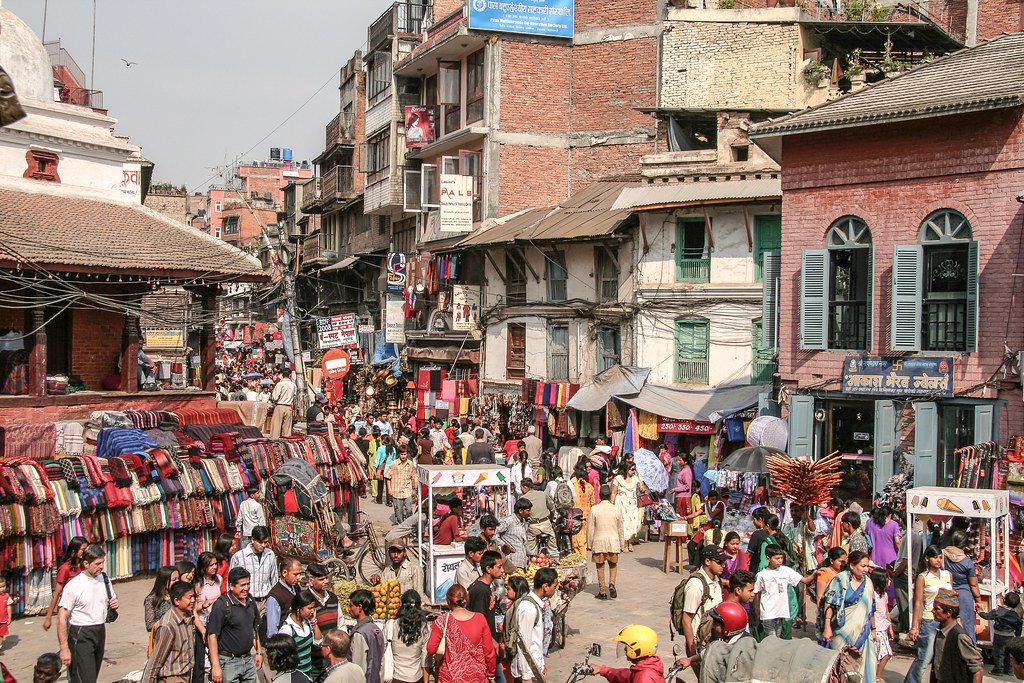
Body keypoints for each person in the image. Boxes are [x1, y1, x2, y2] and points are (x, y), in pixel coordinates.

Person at [56, 544, 119, 683]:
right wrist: (64, 648)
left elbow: (111, 599)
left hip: (99, 630)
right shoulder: (74, 586)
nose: (101, 567)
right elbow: (61, 618)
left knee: (92, 676)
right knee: (85, 677)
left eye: (102, 563)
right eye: (97, 564)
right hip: (81, 633)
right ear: (85, 563)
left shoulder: (104, 579)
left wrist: (115, 603)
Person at [820, 550, 876, 683]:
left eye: (867, 566)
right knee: (840, 667)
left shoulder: (868, 582)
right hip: (842, 632)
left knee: (866, 665)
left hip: (863, 633)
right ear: (852, 565)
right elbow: (829, 604)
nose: (866, 570)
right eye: (863, 566)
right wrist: (827, 627)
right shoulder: (841, 580)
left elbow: (871, 609)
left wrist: (873, 630)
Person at [427, 584, 496, 683]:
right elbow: (489, 652)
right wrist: (491, 675)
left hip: (450, 677)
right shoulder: (479, 619)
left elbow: (431, 648)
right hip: (476, 676)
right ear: (467, 599)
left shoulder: (443, 621)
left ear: (449, 601)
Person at [207, 567, 264, 683]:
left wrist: (258, 652)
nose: (246, 588)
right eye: (242, 585)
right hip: (228, 662)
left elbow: (254, 630)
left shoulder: (250, 601)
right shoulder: (221, 605)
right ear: (231, 586)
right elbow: (212, 636)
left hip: (248, 660)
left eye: (248, 584)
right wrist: (216, 666)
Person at [905, 544, 952, 683]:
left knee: (943, 656)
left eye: (940, 557)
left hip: (947, 620)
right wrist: (914, 627)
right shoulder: (923, 577)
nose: (938, 560)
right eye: (935, 557)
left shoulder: (947, 575)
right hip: (930, 619)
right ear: (927, 558)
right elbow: (918, 602)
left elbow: (953, 599)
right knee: (925, 656)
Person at [753, 544, 819, 639]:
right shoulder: (761, 575)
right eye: (777, 558)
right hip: (768, 614)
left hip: (781, 613)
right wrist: (757, 611)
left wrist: (815, 574)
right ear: (768, 559)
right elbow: (757, 593)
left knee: (778, 637)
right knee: (771, 639)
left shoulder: (785, 571)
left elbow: (804, 580)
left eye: (781, 558)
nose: (780, 560)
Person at [142, 580, 197, 683]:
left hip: (186, 676)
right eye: (190, 597)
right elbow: (155, 661)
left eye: (194, 597)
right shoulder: (168, 626)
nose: (193, 600)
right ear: (177, 601)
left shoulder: (188, 618)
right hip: (171, 678)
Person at [510, 568, 558, 683]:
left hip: (534, 669)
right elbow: (523, 643)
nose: (555, 590)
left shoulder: (535, 605)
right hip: (527, 674)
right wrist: (526, 677)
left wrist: (541, 664)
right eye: (554, 586)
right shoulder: (528, 608)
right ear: (545, 586)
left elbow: (536, 642)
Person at [673, 603, 750, 672]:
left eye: (716, 624)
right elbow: (712, 651)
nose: (713, 626)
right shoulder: (724, 640)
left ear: (730, 626)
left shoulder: (746, 647)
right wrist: (690, 660)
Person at [229, 525, 278, 631]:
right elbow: (231, 582)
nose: (263, 545)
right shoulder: (239, 557)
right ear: (252, 540)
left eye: (265, 542)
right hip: (247, 601)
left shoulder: (270, 555)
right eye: (260, 542)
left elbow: (273, 579)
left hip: (265, 601)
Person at [681, 545, 726, 657]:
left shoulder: (716, 580)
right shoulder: (696, 585)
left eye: (724, 562)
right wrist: (692, 649)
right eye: (720, 562)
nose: (723, 565)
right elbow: (686, 619)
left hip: (713, 641)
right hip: (700, 644)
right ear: (707, 561)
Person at [468, 551, 506, 683]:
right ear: (488, 569)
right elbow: (479, 623)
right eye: (499, 567)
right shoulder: (480, 591)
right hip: (485, 650)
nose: (502, 570)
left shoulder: (486, 587)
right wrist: (493, 642)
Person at [931, 589, 984, 683]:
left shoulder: (960, 637)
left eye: (936, 609)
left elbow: (977, 668)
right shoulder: (941, 631)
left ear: (949, 612)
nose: (932, 611)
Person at [587, 624, 664, 683]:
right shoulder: (647, 667)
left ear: (636, 647)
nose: (624, 648)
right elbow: (627, 675)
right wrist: (603, 670)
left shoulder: (644, 678)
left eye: (626, 646)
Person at [943, 530, 981, 644]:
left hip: (948, 593)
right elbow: (973, 584)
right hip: (964, 596)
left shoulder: (943, 555)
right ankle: (969, 649)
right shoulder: (967, 562)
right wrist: (978, 600)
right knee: (967, 625)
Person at [588, 484, 624, 600]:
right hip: (613, 541)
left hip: (599, 542)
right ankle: (612, 583)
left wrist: (589, 544)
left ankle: (602, 591)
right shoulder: (616, 509)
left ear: (600, 496)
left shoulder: (594, 509)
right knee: (613, 564)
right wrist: (622, 544)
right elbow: (620, 528)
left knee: (600, 566)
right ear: (609, 496)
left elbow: (590, 529)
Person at [43, 535, 88, 631]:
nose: (85, 552)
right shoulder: (65, 568)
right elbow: (57, 593)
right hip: (69, 607)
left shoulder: (86, 566)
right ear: (74, 550)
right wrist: (48, 617)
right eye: (82, 549)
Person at [277, 589, 324, 678]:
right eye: (310, 608)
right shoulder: (287, 629)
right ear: (299, 609)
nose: (313, 611)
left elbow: (319, 642)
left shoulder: (307, 622)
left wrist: (314, 623)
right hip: (295, 676)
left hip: (308, 672)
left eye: (313, 608)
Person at [388, 591, 430, 683]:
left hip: (395, 676)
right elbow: (425, 657)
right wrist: (426, 680)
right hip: (415, 677)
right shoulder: (425, 628)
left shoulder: (392, 625)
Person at [979, 591, 1023, 675]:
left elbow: (987, 616)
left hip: (999, 635)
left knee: (998, 653)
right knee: (1008, 653)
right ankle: (1009, 670)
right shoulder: (1016, 615)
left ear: (1004, 600)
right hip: (1010, 636)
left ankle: (998, 670)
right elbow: (1019, 627)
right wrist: (1017, 636)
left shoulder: (998, 611)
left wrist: (980, 612)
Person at [347, 589, 384, 683]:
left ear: (360, 607)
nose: (349, 609)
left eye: (351, 605)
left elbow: (358, 668)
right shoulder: (376, 629)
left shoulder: (360, 634)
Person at [266, 557, 303, 637]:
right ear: (284, 573)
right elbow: (272, 629)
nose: (298, 578)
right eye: (295, 574)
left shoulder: (296, 588)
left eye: (300, 574)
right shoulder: (275, 597)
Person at [522, 479, 557, 556]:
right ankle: (555, 559)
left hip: (533, 526)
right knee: (553, 547)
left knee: (532, 549)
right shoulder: (543, 494)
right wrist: (550, 518)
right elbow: (552, 508)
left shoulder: (523, 498)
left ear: (525, 487)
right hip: (546, 523)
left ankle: (533, 562)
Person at [871, 570, 894, 682]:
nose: (889, 581)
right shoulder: (873, 595)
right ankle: (876, 677)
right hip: (876, 628)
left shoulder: (884, 595)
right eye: (887, 579)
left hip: (883, 627)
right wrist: (873, 629)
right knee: (884, 654)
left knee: (885, 654)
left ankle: (876, 676)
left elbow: (887, 611)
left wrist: (890, 627)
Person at [385, 445, 418, 523]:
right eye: (402, 454)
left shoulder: (410, 464)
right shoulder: (394, 464)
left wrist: (414, 489)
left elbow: (413, 477)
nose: (403, 456)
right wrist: (389, 489)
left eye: (405, 454)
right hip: (396, 491)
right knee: (399, 510)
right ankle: (401, 525)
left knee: (409, 509)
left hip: (407, 490)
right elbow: (388, 477)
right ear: (399, 454)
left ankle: (409, 525)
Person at [496, 498, 532, 568]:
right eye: (528, 510)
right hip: (512, 562)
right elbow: (493, 533)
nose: (530, 512)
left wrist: (532, 554)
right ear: (521, 511)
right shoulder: (508, 521)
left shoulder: (522, 522)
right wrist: (504, 545)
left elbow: (523, 543)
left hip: (522, 562)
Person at [144, 565, 181, 632]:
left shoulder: (181, 596)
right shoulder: (152, 599)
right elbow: (149, 626)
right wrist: (167, 621)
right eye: (174, 579)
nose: (177, 581)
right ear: (164, 581)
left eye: (178, 578)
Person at [571, 460, 596, 555]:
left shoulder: (573, 485)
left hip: (575, 516)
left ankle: (579, 557)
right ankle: (583, 556)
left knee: (575, 539)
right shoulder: (589, 487)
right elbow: (593, 503)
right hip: (586, 516)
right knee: (583, 538)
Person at [720, 531, 750, 599]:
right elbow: (715, 576)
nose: (735, 547)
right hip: (725, 590)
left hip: (740, 590)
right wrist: (726, 582)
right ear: (726, 544)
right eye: (732, 544)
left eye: (737, 544)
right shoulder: (721, 556)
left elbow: (746, 573)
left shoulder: (742, 555)